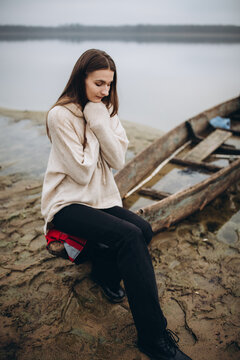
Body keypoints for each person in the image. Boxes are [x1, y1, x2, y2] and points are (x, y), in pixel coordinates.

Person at [41, 48, 192, 360]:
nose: (105, 91)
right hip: (68, 202)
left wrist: (100, 119)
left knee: (143, 229)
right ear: (80, 78)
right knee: (129, 237)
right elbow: (81, 173)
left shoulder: (106, 110)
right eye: (98, 83)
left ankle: (105, 275)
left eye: (109, 84)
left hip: (100, 199)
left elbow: (118, 159)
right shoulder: (60, 116)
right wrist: (96, 126)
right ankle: (152, 337)